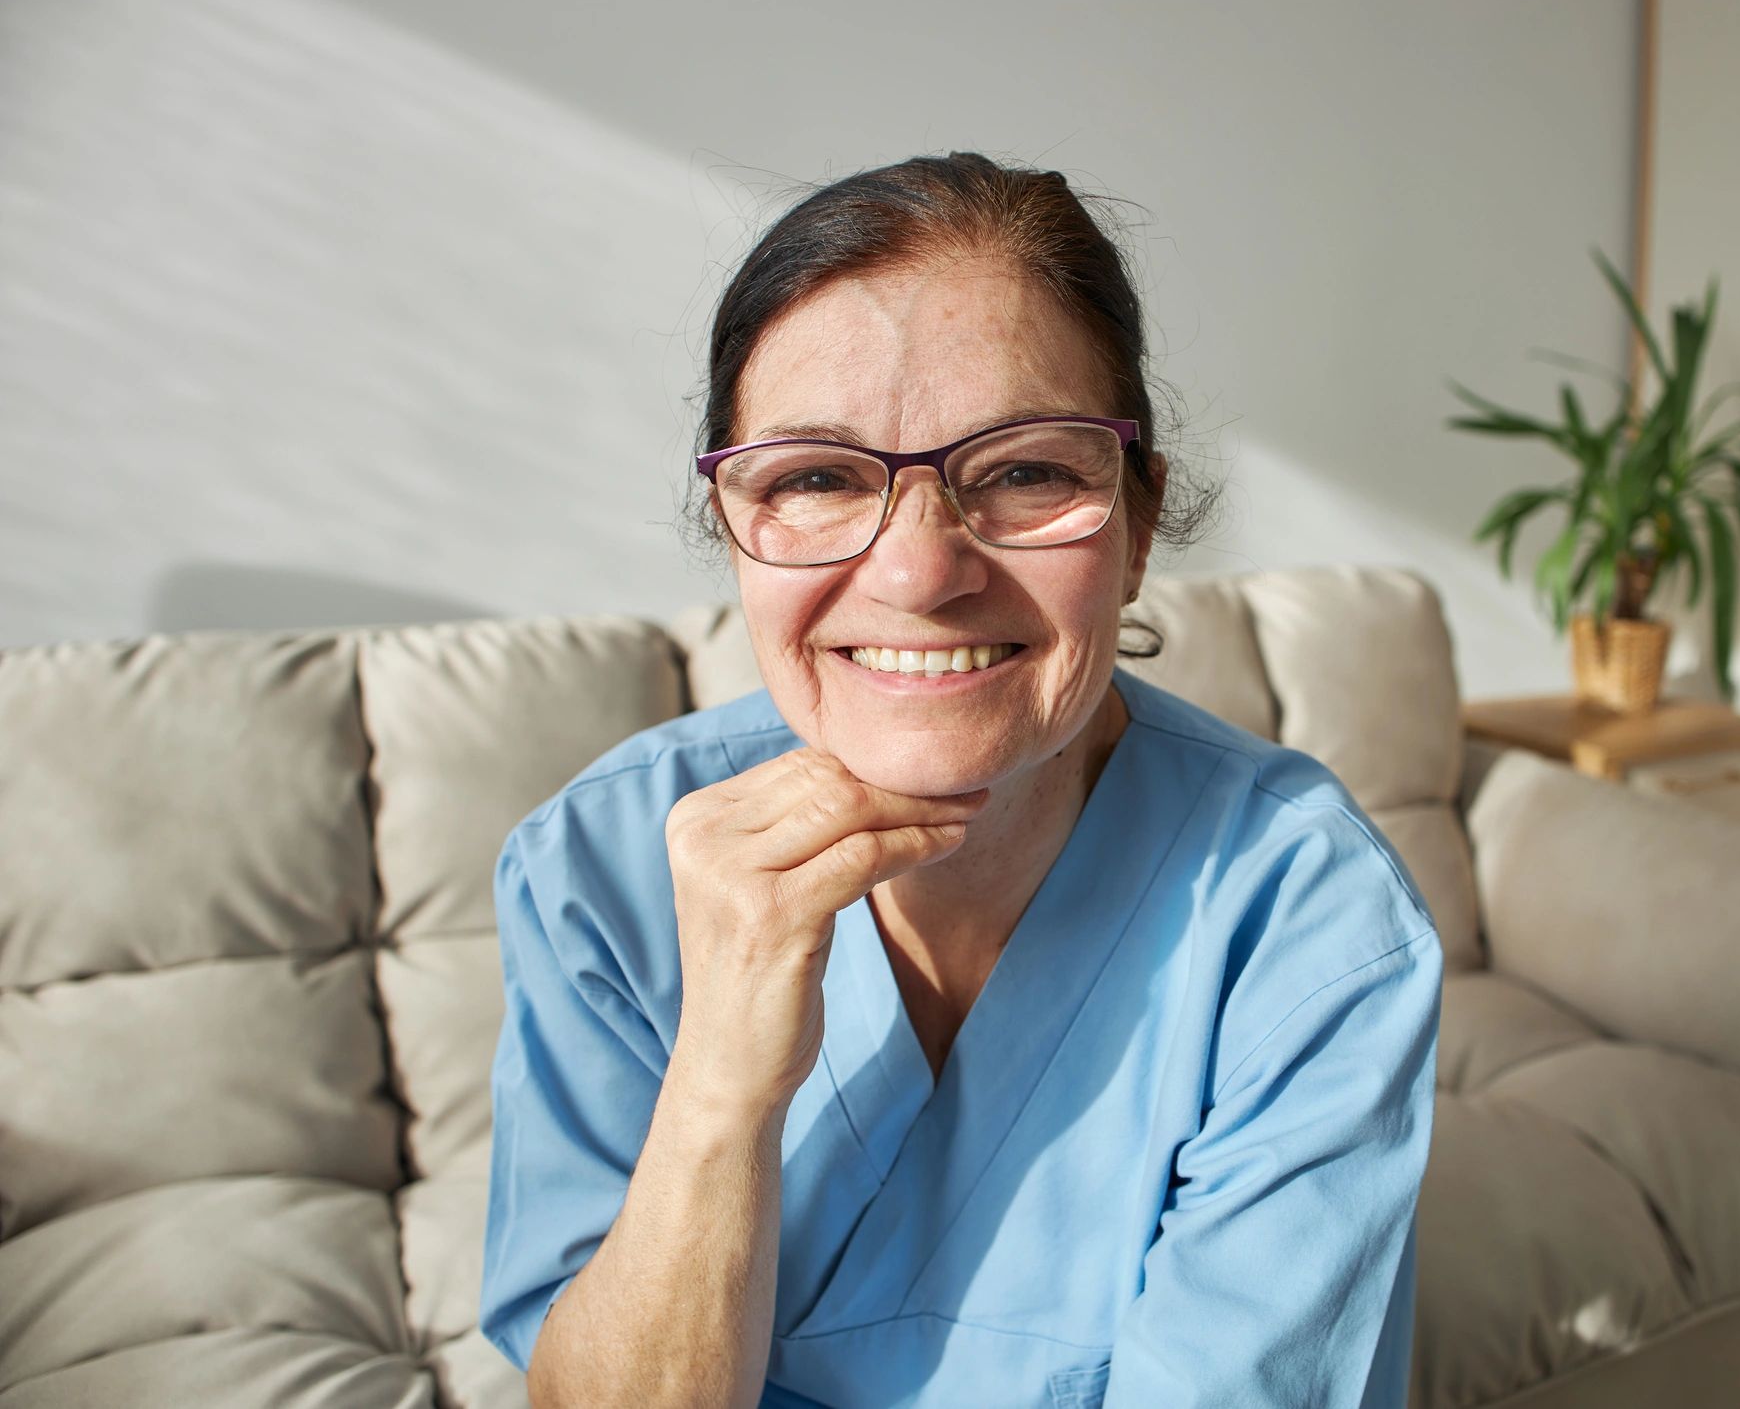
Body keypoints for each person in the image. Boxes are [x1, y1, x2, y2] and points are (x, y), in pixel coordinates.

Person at [478, 151, 1443, 1409]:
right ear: (735, 531)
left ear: (1140, 523)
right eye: (817, 477)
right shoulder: (594, 871)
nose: (920, 573)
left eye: (1028, 470)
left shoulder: (1306, 919)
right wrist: (720, 1081)